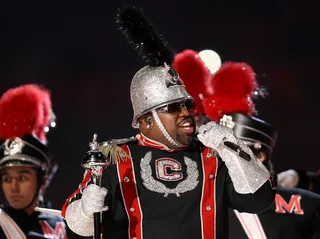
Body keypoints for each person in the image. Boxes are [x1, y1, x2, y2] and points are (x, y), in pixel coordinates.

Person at [62, 6, 275, 239]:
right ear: (145, 121)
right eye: (173, 108)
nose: (185, 113)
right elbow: (76, 231)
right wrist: (84, 211)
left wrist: (232, 148)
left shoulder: (213, 155)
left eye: (187, 105)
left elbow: (259, 201)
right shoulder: (114, 157)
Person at [175, 52, 320, 238]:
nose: (222, 160)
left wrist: (305, 180)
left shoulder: (307, 206)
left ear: (259, 156)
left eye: (230, 151)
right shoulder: (199, 207)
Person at [0, 84, 69, 238]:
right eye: (6, 178)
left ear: (42, 181)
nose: (13, 187)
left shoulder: (61, 222)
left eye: (22, 177)